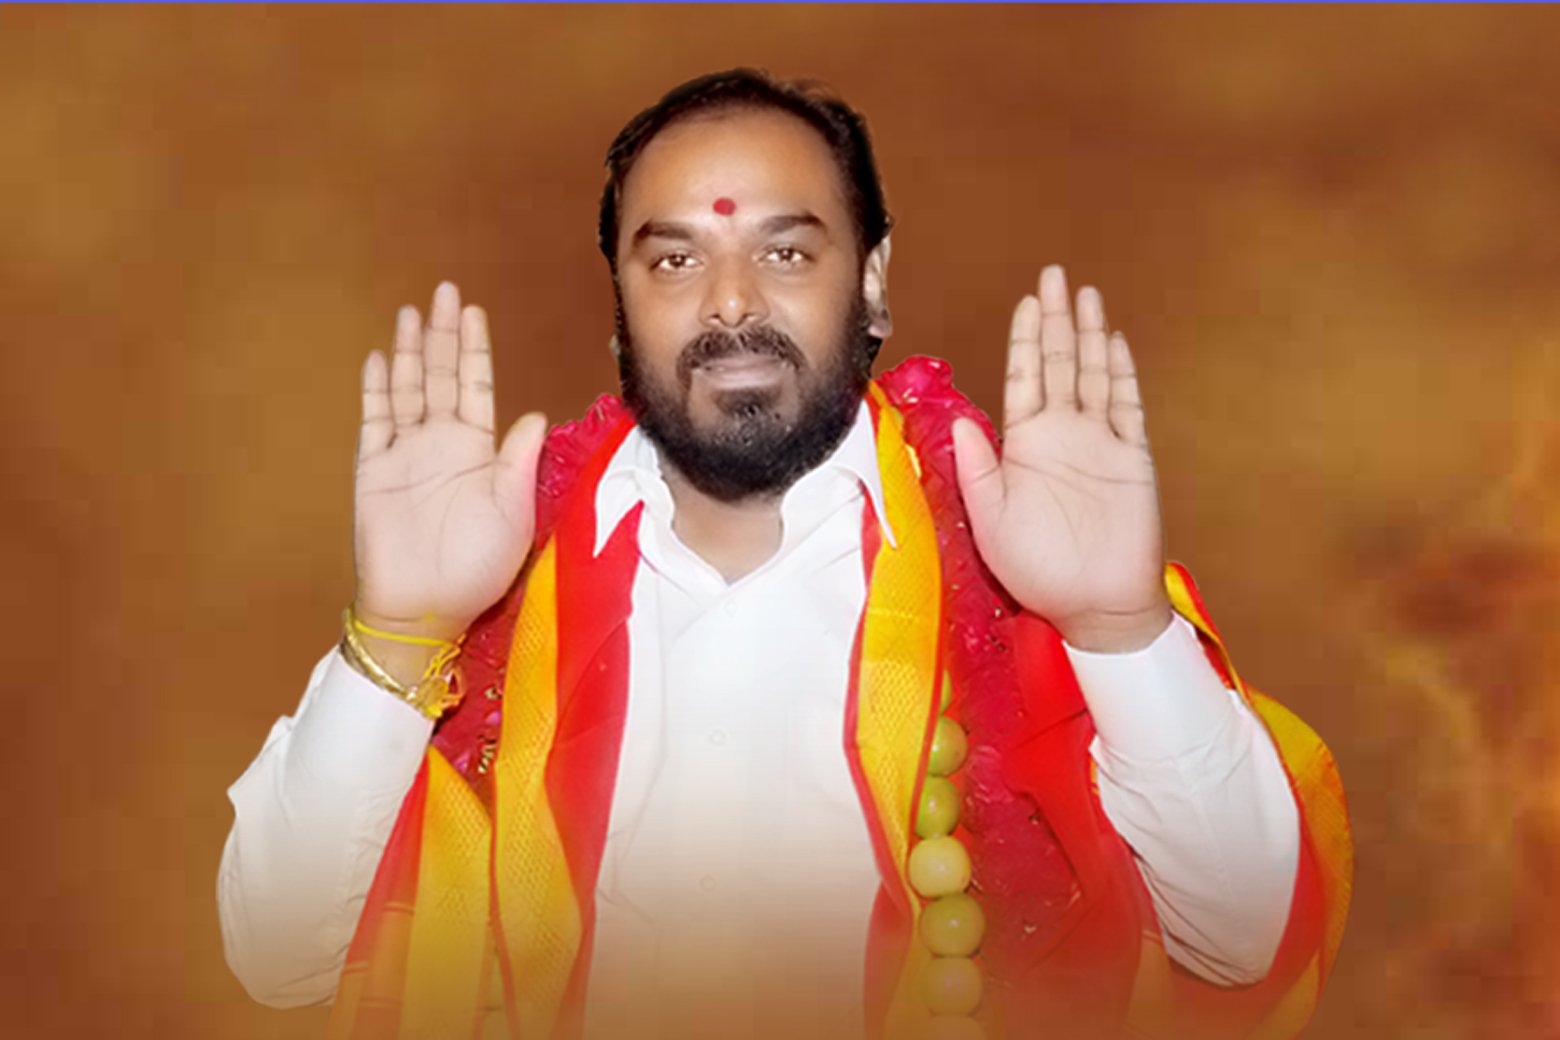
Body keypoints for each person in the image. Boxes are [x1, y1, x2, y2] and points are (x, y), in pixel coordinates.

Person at [219, 70, 1350, 1040]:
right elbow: (276, 958)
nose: (730, 303)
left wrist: (1114, 630)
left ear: (872, 281)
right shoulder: (501, 570)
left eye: (786, 249)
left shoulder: (1015, 555)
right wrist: (402, 633)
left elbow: (1242, 937)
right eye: (674, 260)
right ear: (617, 303)